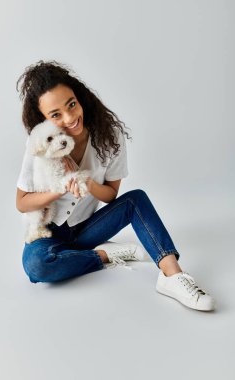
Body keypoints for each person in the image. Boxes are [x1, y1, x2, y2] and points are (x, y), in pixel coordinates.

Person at [15, 60, 216, 312]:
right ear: (43, 120)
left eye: (72, 104)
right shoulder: (40, 144)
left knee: (136, 199)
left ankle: (172, 276)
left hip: (87, 229)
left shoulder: (108, 137)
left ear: (80, 99)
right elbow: (22, 202)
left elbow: (111, 195)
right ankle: (105, 255)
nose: (70, 117)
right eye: (55, 115)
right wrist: (59, 190)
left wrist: (85, 180)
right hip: (49, 232)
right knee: (36, 267)